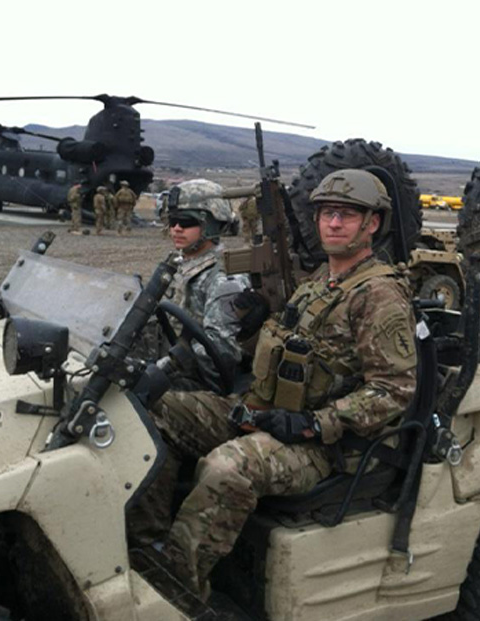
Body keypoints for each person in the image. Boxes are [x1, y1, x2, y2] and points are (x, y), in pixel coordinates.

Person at [152, 169, 418, 600]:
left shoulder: (378, 295)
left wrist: (315, 423)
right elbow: (291, 354)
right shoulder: (318, 282)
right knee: (156, 409)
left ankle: (178, 590)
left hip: (323, 445)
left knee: (227, 467)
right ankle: (148, 543)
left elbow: (394, 389)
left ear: (372, 224)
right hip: (267, 412)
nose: (333, 223)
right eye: (327, 213)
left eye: (347, 215)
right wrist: (257, 326)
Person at [127, 178, 256, 545]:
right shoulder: (178, 266)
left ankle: (147, 537)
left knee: (146, 417)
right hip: (169, 372)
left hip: (202, 385)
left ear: (211, 224)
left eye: (187, 221)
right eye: (172, 221)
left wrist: (170, 364)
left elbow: (222, 351)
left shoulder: (225, 277)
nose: (176, 228)